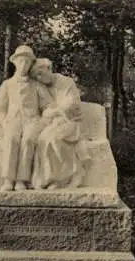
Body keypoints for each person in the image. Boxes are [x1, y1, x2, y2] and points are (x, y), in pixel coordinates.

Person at [0, 46, 54, 191]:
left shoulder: (36, 85)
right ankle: (8, 179)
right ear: (15, 63)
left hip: (32, 120)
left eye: (27, 62)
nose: (24, 65)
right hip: (13, 120)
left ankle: (22, 179)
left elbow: (48, 105)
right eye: (21, 61)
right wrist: (2, 121)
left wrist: (47, 117)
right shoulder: (7, 85)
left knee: (29, 140)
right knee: (12, 138)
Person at [29, 58, 91, 189]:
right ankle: (47, 179)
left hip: (71, 121)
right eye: (36, 76)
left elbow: (73, 103)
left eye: (40, 73)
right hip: (53, 123)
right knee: (42, 139)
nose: (39, 78)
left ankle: (69, 176)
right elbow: (43, 108)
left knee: (55, 139)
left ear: (48, 68)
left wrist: (56, 111)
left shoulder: (66, 82)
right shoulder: (42, 88)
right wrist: (48, 113)